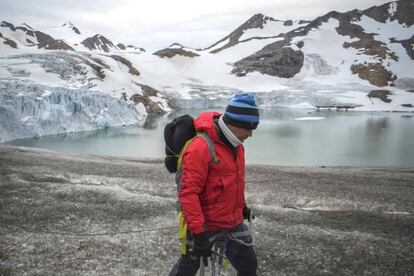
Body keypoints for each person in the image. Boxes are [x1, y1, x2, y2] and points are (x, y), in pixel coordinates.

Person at [169, 93, 259, 276]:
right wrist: (199, 231)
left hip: (233, 222)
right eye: (249, 128)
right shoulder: (201, 147)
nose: (250, 134)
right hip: (205, 226)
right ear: (235, 124)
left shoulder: (238, 146)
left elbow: (235, 181)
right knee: (187, 268)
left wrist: (242, 207)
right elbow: (188, 193)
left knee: (249, 266)